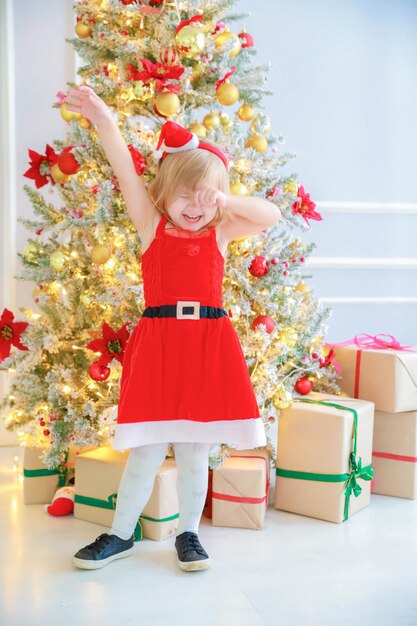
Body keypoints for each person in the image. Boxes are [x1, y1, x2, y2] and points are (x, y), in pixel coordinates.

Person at [64, 85, 281, 572]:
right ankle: (120, 534)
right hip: (160, 347)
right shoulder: (150, 224)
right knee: (144, 452)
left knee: (194, 451)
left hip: (206, 347)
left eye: (205, 197)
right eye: (185, 193)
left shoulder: (221, 230)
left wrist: (225, 198)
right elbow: (122, 167)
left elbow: (271, 215)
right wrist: (103, 117)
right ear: (164, 192)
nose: (195, 205)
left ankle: (188, 534)